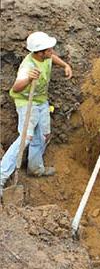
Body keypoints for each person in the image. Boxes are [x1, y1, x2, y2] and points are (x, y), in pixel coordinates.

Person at [0, 31, 72, 188]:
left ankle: (35, 169)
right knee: (26, 137)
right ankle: (1, 176)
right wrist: (28, 79)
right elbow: (16, 88)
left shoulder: (45, 57)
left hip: (41, 101)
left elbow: (52, 58)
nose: (52, 52)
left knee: (44, 135)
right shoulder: (28, 67)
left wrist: (65, 65)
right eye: (49, 50)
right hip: (26, 102)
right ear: (39, 52)